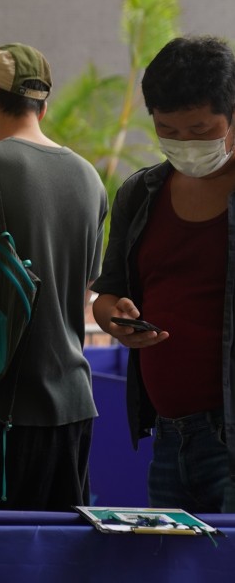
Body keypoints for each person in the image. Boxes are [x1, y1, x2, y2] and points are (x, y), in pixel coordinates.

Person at [0, 43, 107, 510]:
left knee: (0, 554)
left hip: (5, 406)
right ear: (44, 105)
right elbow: (82, 285)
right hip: (75, 403)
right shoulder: (90, 179)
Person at [92, 35, 235, 513]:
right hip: (168, 437)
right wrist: (116, 318)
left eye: (199, 129)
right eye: (168, 130)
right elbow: (107, 294)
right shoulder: (141, 194)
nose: (185, 144)